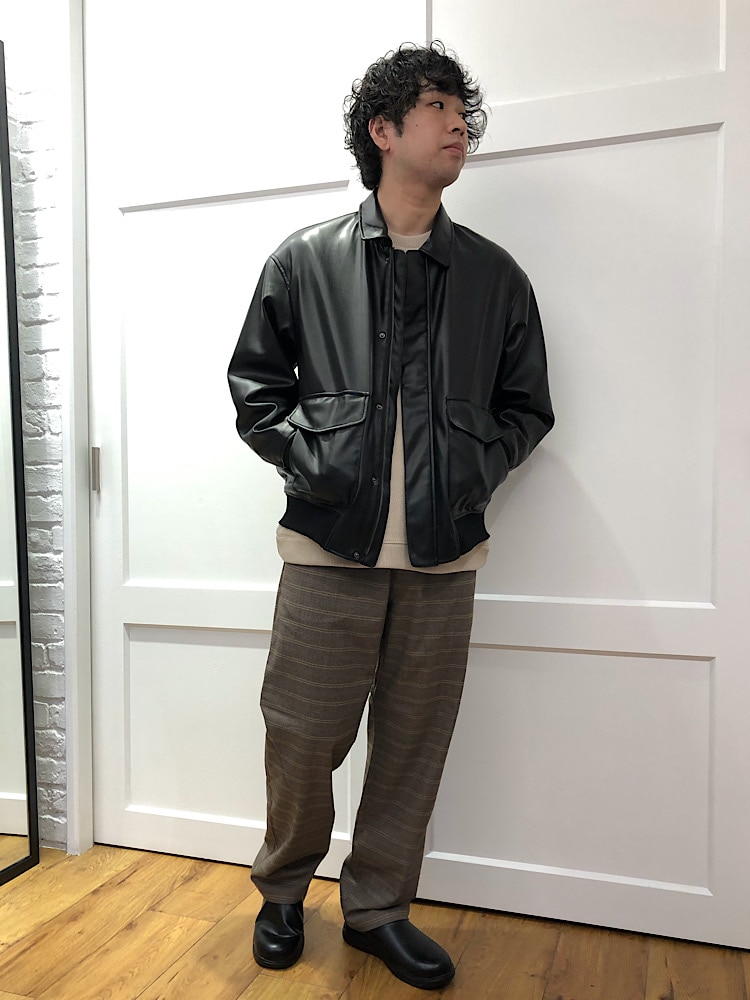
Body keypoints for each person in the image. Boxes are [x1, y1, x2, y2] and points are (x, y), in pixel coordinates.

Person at [227, 41, 554, 991]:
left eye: (463, 110)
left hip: (444, 557)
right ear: (383, 129)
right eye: (439, 106)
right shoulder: (306, 260)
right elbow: (256, 389)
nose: (460, 125)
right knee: (301, 736)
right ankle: (283, 891)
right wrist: (318, 462)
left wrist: (471, 473)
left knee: (413, 745)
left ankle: (377, 909)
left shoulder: (493, 276)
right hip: (329, 547)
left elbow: (528, 408)